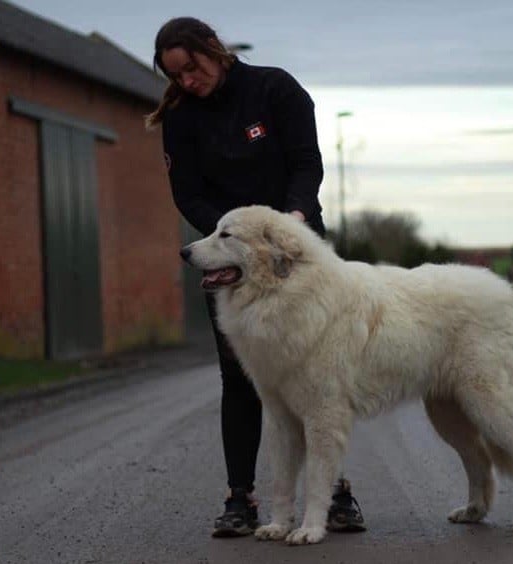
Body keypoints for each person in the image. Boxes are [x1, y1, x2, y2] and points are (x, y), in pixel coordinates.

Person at [146, 17, 365, 537]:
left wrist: (289, 217)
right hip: (230, 256)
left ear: (214, 51)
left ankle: (336, 493)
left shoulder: (275, 89)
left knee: (318, 381)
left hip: (296, 245)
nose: (187, 83)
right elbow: (187, 193)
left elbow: (307, 164)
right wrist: (232, 238)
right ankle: (239, 499)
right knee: (239, 378)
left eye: (192, 70)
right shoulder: (181, 115)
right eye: (176, 76)